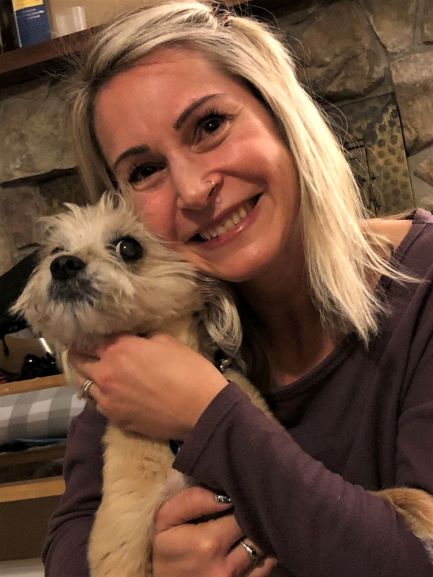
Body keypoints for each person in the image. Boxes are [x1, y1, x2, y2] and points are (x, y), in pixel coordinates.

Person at [42, 1, 433, 576]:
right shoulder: (155, 325)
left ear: (281, 114)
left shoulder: (424, 287)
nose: (193, 190)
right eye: (145, 170)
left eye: (209, 125)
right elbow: (72, 539)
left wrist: (210, 416)